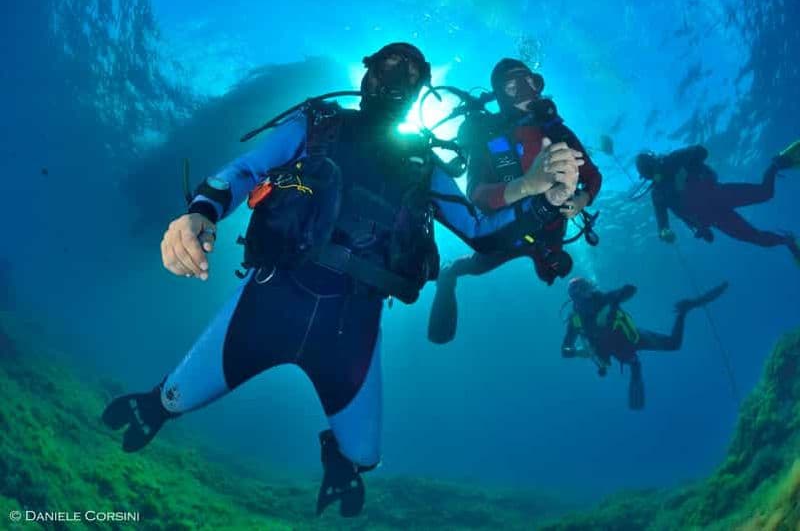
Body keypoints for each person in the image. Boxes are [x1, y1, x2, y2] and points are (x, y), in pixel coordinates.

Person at [101, 43, 582, 517]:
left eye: (413, 74)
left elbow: (478, 230)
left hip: (352, 327)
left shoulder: (424, 165)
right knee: (170, 399)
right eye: (390, 65)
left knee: (364, 456)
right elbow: (247, 169)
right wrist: (198, 214)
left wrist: (538, 197)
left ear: (421, 94)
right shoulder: (318, 124)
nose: (399, 77)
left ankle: (339, 457)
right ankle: (155, 406)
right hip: (272, 297)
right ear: (367, 74)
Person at [427, 58, 602, 344]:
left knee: (555, 272)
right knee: (473, 263)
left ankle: (542, 258)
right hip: (509, 232)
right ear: (500, 95)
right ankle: (449, 274)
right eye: (512, 87)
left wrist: (582, 199)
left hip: (551, 231)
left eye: (530, 83)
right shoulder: (492, 137)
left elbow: (593, 175)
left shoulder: (558, 133)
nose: (525, 93)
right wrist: (526, 185)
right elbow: (478, 196)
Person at [561, 277, 728, 410]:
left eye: (587, 288)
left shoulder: (604, 299)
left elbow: (630, 289)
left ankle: (683, 310)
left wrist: (610, 305)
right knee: (632, 361)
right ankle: (635, 368)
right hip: (612, 349)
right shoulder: (575, 321)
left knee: (674, 344)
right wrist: (577, 351)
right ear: (574, 298)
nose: (587, 295)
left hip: (634, 337)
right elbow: (565, 350)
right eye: (581, 292)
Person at [635, 141, 800, 264]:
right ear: (646, 176)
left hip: (718, 194)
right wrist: (666, 233)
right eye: (649, 173)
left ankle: (776, 164)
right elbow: (662, 223)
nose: (654, 174)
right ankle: (787, 241)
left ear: (656, 161)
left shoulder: (673, 160)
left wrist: (684, 170)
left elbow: (701, 151)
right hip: (711, 217)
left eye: (652, 168)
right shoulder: (658, 194)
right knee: (755, 238)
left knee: (765, 193)